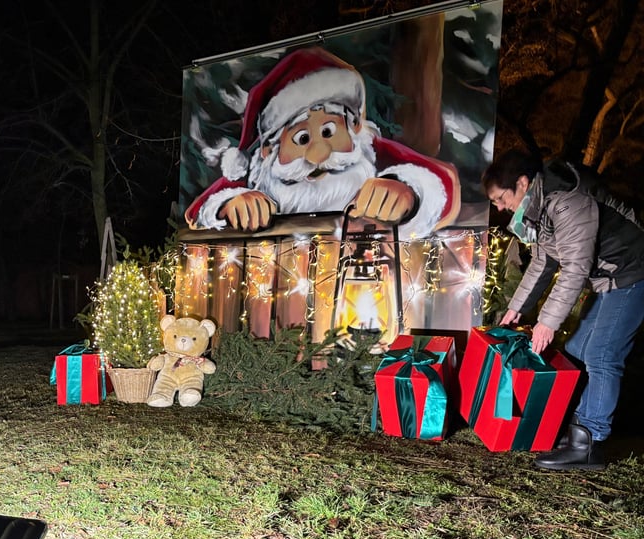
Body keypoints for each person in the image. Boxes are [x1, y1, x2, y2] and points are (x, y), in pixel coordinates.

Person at [185, 47, 461, 240]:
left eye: (328, 131)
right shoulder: (260, 175)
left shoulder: (367, 153)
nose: (318, 153)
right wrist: (230, 205)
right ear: (270, 149)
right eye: (302, 138)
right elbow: (200, 210)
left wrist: (408, 192)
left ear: (352, 127)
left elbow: (440, 184)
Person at [483, 149, 644, 470]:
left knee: (601, 355)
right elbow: (543, 263)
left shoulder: (567, 202)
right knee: (577, 349)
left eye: (501, 198)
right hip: (610, 278)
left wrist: (546, 323)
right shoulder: (541, 211)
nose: (500, 208)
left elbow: (575, 267)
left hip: (633, 272)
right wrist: (517, 310)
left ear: (523, 183)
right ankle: (577, 434)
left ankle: (591, 441)